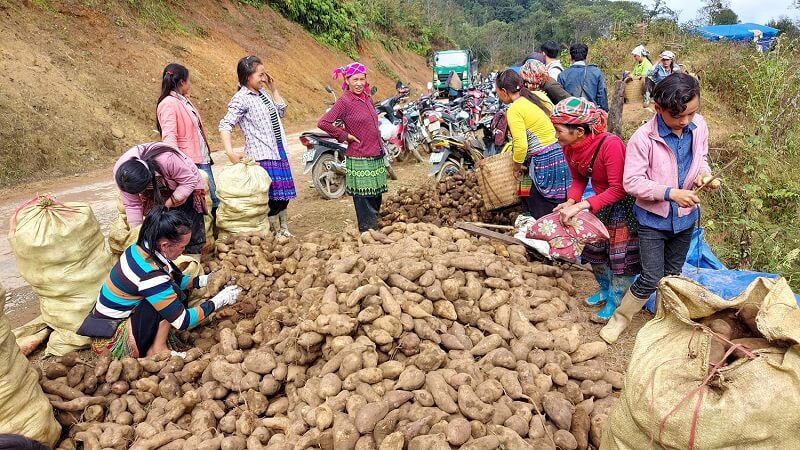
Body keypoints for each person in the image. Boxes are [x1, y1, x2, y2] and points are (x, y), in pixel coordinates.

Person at [600, 73, 719, 344]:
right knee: (651, 276)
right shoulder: (643, 139)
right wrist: (670, 194)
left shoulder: (699, 126)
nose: (685, 121)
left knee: (672, 275)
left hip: (685, 219)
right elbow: (632, 182)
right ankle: (620, 320)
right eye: (677, 115)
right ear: (658, 108)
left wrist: (704, 176)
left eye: (691, 113)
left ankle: (666, 320)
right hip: (653, 221)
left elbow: (701, 158)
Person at [79, 207, 240, 358]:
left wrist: (206, 279)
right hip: (112, 342)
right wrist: (219, 300)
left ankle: (155, 343)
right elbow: (182, 321)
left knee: (170, 290)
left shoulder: (139, 249)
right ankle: (157, 349)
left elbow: (175, 279)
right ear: (165, 245)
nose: (183, 251)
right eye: (182, 247)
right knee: (172, 295)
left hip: (106, 326)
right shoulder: (150, 276)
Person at [550, 97, 641, 322]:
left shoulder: (611, 145)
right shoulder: (569, 147)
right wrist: (570, 201)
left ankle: (615, 300)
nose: (555, 135)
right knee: (595, 251)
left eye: (559, 130)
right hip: (598, 202)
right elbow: (579, 178)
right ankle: (604, 289)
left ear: (579, 131)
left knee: (619, 256)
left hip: (621, 205)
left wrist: (581, 205)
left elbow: (619, 189)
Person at [219, 55, 296, 237]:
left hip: (278, 150)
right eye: (260, 75)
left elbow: (281, 111)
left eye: (264, 74)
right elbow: (225, 124)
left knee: (284, 195)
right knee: (271, 197)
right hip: (262, 154)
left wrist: (273, 88)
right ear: (247, 77)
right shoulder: (241, 98)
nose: (264, 78)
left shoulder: (263, 94)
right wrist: (229, 151)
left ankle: (284, 229)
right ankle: (274, 232)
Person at [317, 63, 387, 232]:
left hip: (375, 154)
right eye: (355, 79)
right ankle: (367, 231)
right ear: (347, 80)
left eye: (362, 79)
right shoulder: (345, 101)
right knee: (364, 197)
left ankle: (374, 230)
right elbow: (323, 123)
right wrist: (344, 136)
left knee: (376, 196)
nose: (359, 83)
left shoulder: (367, 98)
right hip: (359, 156)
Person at [495, 69, 570, 218]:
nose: (498, 96)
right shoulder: (537, 96)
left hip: (542, 161)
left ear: (504, 91)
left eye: (497, 92)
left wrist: (516, 167)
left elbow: (521, 145)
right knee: (554, 201)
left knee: (540, 207)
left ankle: (536, 223)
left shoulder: (514, 110)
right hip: (559, 154)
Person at [114, 142, 207, 255]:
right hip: (155, 185)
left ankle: (192, 251)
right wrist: (137, 232)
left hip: (184, 181)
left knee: (186, 219)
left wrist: (168, 203)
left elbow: (189, 181)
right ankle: (165, 251)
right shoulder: (122, 175)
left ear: (148, 180)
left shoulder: (167, 159)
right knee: (157, 219)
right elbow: (132, 205)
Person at [156, 63, 218, 216]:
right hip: (189, 161)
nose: (190, 84)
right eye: (189, 80)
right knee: (204, 202)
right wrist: (175, 163)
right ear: (182, 82)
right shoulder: (168, 103)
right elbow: (169, 136)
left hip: (201, 158)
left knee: (212, 199)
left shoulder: (183, 100)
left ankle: (212, 228)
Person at [558, 43, 609, 112]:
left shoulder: (562, 75)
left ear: (571, 57)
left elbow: (560, 99)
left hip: (570, 114)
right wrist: (604, 112)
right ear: (586, 56)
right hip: (591, 114)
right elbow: (602, 97)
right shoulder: (596, 72)